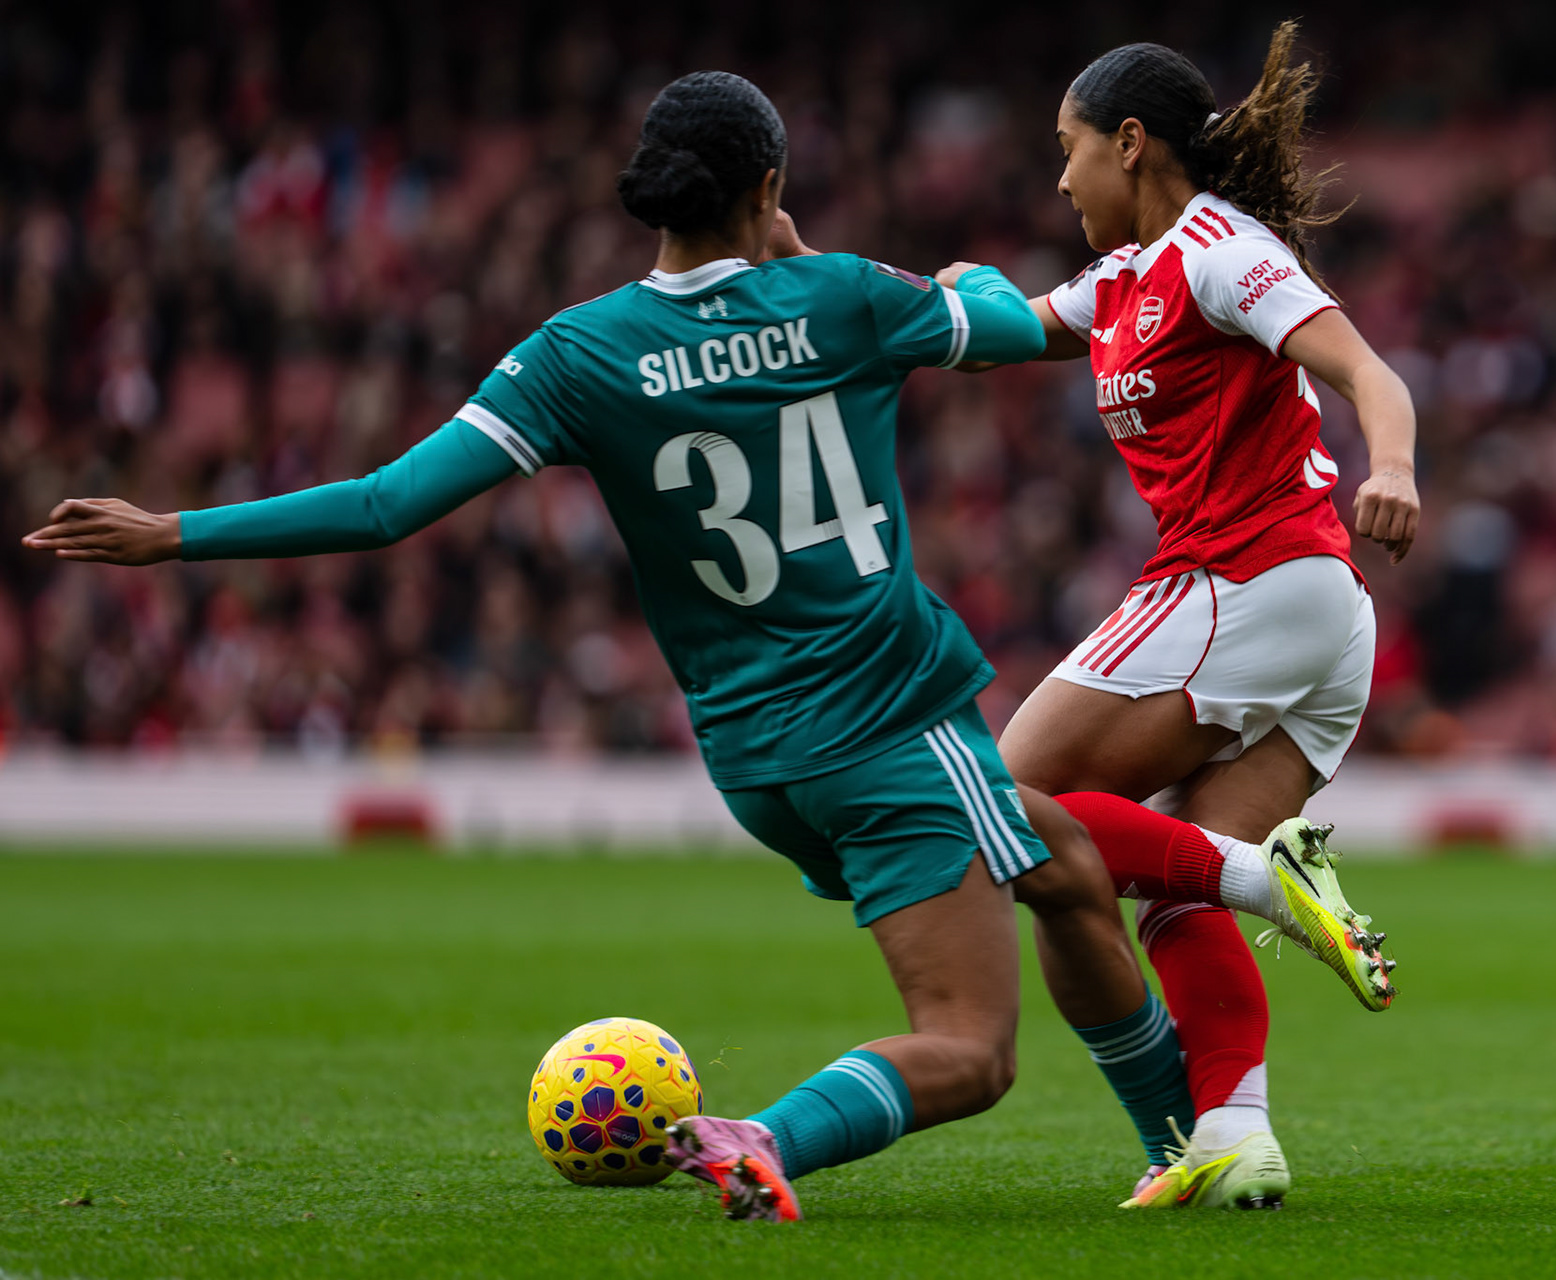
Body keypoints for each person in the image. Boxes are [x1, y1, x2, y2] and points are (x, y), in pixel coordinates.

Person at [21, 71, 1198, 1220]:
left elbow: (387, 504)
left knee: (1062, 863)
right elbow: (1014, 323)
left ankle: (1186, 1147)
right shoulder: (846, 295)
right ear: (769, 184)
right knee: (971, 1048)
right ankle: (767, 1136)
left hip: (755, 758)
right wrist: (930, 271)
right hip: (887, 717)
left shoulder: (578, 352)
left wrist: (173, 531)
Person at [970, 24, 1423, 1208]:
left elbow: (1371, 372)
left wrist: (1399, 467)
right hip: (1310, 613)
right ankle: (1237, 1138)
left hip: (1250, 577)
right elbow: (986, 333)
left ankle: (1274, 882)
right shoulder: (1117, 275)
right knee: (1174, 886)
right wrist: (835, 293)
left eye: (1068, 151)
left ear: (1130, 143)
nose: (1060, 179)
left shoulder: (1219, 250)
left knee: (998, 805)